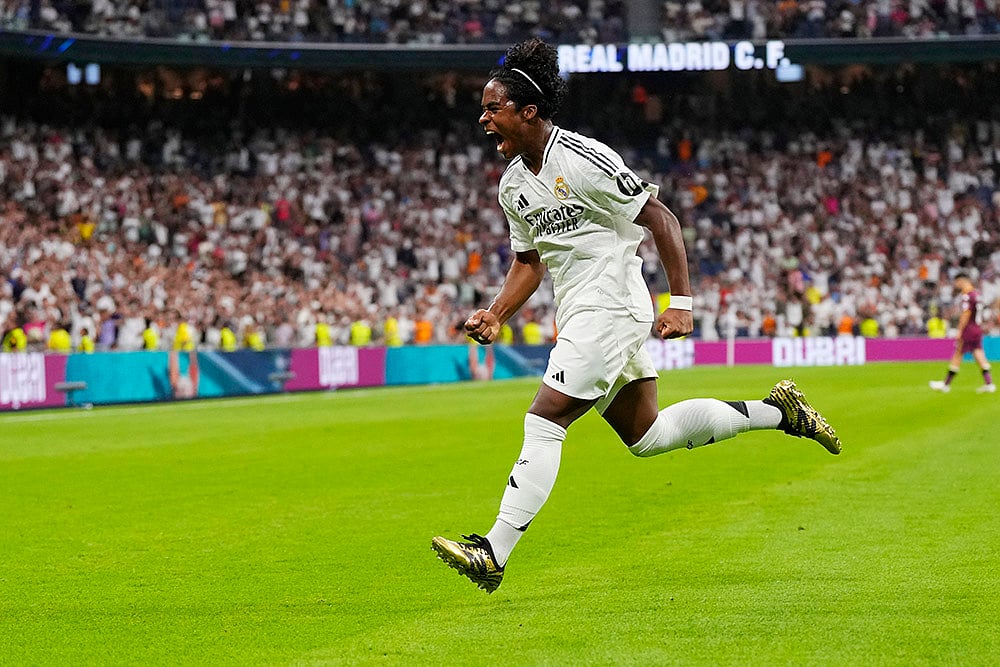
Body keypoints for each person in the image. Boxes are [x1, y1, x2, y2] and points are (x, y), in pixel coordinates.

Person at [431, 38, 842, 594]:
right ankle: (779, 413)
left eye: (492, 108)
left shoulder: (581, 158)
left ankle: (493, 551)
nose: (482, 119)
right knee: (646, 434)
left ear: (528, 111)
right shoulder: (512, 185)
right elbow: (529, 261)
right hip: (579, 310)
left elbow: (663, 219)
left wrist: (682, 303)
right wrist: (498, 313)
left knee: (545, 418)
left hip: (612, 305)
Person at [929, 273, 995, 394]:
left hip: (969, 329)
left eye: (957, 282)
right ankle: (989, 383)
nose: (956, 285)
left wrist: (959, 330)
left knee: (958, 352)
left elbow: (966, 313)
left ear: (961, 281)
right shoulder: (977, 294)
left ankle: (946, 384)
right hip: (977, 328)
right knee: (978, 353)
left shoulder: (967, 295)